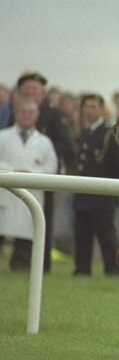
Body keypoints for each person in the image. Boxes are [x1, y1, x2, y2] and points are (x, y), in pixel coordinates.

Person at [13, 71, 78, 272]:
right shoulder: (14, 112)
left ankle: (42, 263)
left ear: (42, 93)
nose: (31, 92)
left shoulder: (53, 114)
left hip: (44, 174)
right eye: (27, 89)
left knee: (43, 217)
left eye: (35, 89)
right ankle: (19, 258)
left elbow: (67, 145)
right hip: (17, 174)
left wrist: (40, 154)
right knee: (17, 216)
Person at [73, 94, 119, 275]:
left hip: (102, 195)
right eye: (86, 106)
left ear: (101, 110)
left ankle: (111, 269)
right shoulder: (85, 132)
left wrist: (111, 189)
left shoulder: (108, 134)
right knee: (82, 234)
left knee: (106, 235)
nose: (88, 110)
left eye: (92, 106)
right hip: (83, 194)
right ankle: (82, 268)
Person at [0, 99, 58, 270]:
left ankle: (20, 266)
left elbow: (51, 168)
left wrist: (31, 174)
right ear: (16, 114)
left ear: (36, 116)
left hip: (31, 193)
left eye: (30, 113)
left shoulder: (45, 142)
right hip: (5, 193)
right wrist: (13, 171)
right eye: (23, 112)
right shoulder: (2, 137)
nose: (26, 116)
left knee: (26, 234)